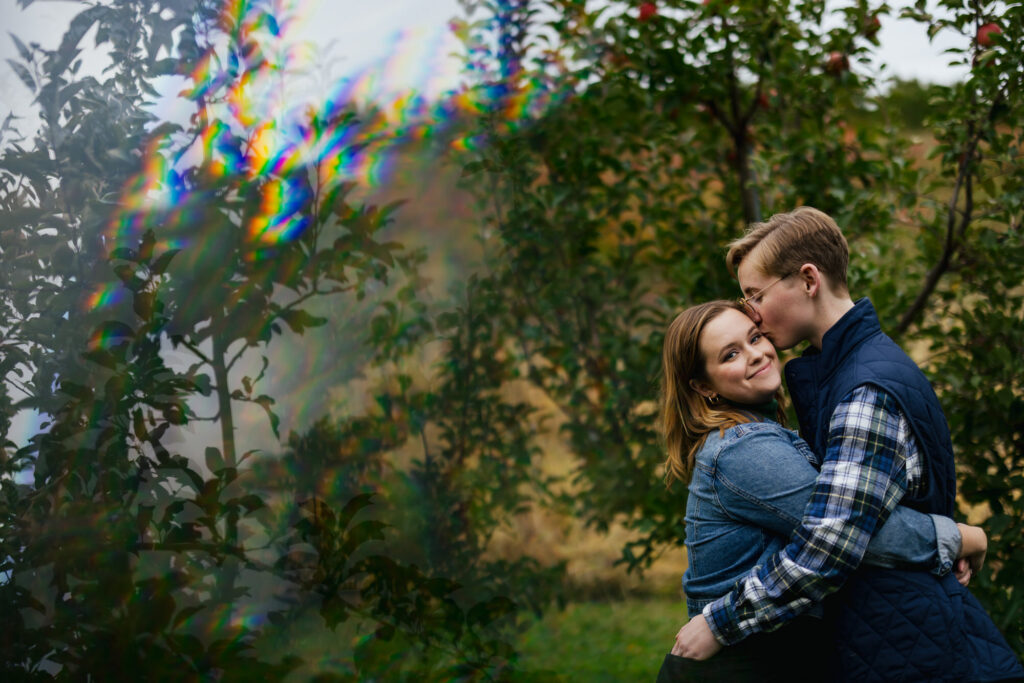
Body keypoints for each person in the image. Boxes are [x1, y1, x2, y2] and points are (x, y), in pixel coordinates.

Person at [671, 207, 1023, 681]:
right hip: (884, 633)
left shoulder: (863, 389)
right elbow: (843, 527)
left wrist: (719, 622)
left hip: (901, 636)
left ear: (808, 280)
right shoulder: (839, 377)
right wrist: (958, 535)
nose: (752, 311)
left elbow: (833, 539)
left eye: (755, 296)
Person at [654, 301, 983, 683]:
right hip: (736, 664)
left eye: (755, 338)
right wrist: (960, 537)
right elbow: (846, 529)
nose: (755, 354)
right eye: (730, 354)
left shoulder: (759, 434)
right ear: (703, 386)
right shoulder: (743, 449)